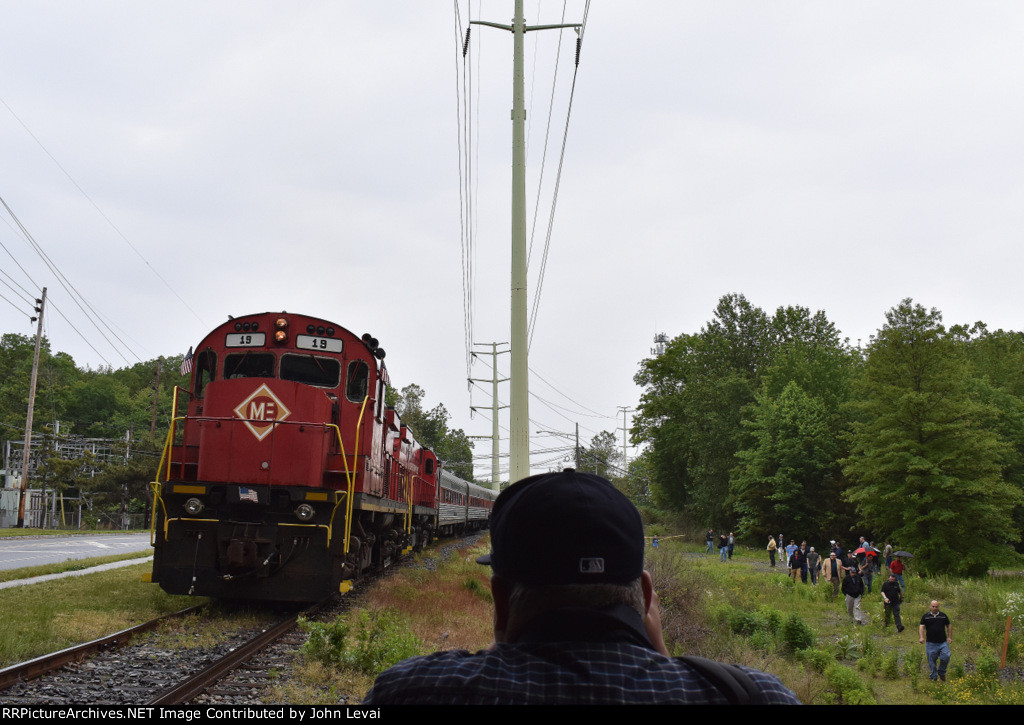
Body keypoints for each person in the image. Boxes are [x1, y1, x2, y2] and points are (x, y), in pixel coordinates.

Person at [362, 469, 801, 705]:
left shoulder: (410, 691)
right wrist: (666, 660)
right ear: (646, 596)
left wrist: (503, 642)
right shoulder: (756, 695)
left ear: (500, 601)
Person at [920, 600, 952, 682]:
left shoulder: (943, 616)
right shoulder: (926, 616)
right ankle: (933, 677)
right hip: (931, 643)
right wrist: (921, 637)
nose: (934, 608)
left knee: (946, 656)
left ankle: (941, 672)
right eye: (933, 606)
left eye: (936, 607)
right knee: (932, 661)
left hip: (942, 642)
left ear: (938, 607)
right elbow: (922, 627)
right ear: (930, 606)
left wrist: (949, 637)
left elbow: (948, 625)